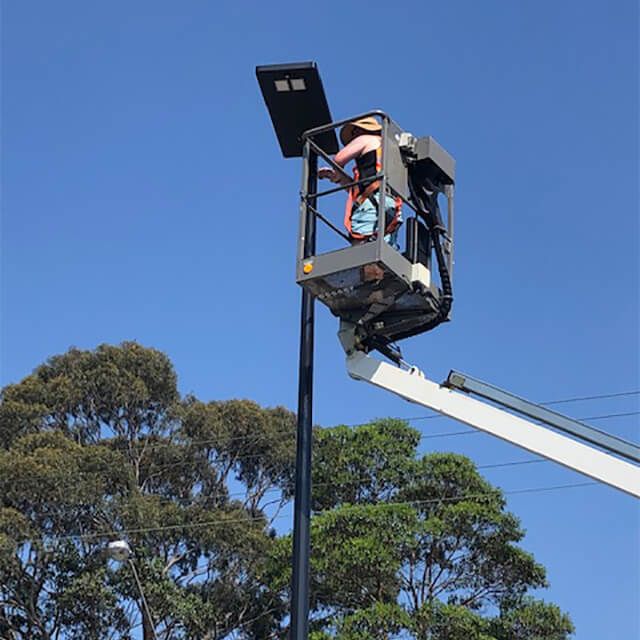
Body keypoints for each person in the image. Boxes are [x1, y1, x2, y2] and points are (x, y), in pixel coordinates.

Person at [318, 116, 402, 247]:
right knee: (382, 250)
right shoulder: (390, 151)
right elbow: (360, 188)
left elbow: (339, 159)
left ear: (357, 131)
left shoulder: (365, 139)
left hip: (371, 204)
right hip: (391, 205)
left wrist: (335, 172)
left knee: (361, 248)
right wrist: (337, 178)